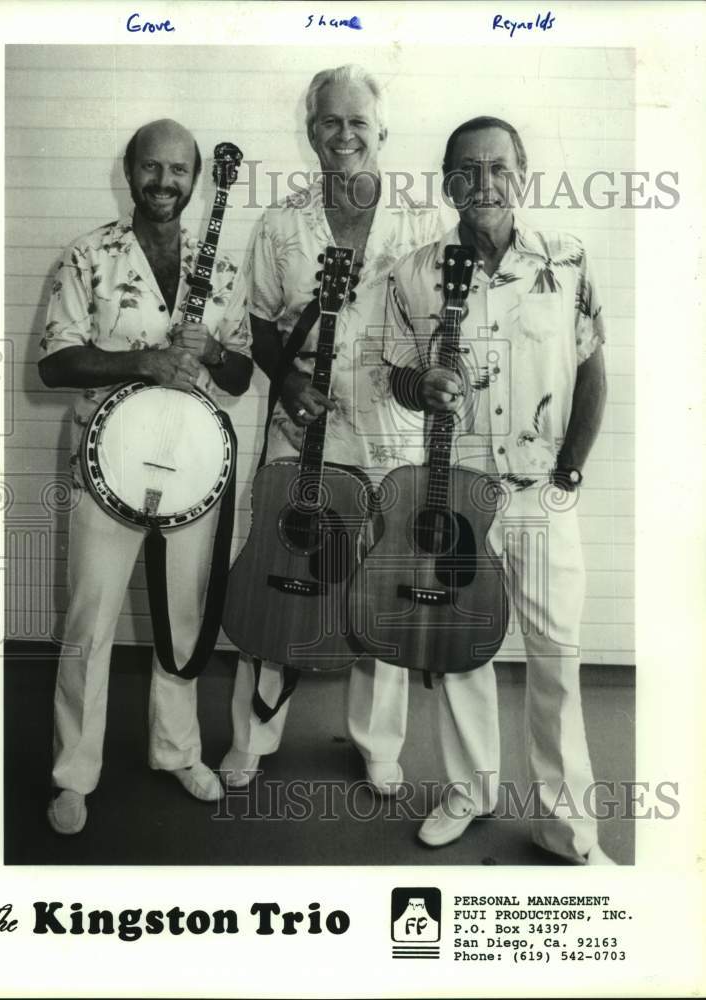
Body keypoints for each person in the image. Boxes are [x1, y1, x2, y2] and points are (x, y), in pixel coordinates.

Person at [385, 116, 614, 864]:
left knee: (556, 658)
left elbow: (591, 369)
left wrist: (570, 470)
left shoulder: (568, 260)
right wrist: (422, 385)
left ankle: (568, 830)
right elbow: (396, 374)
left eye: (499, 167)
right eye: (468, 169)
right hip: (455, 495)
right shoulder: (414, 272)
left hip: (541, 494)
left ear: (522, 174)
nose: (484, 182)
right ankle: (467, 791)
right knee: (461, 649)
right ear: (447, 181)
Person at [219, 65, 443, 792]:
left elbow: (442, 328)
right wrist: (286, 383)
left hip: (389, 433)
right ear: (310, 131)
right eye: (329, 122)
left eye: (358, 122)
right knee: (277, 570)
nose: (344, 135)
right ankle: (252, 736)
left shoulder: (423, 224)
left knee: (382, 582)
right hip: (300, 429)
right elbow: (257, 322)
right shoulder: (280, 224)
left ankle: (378, 742)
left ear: (383, 130)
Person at [38, 119, 252, 834]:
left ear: (196, 179)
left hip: (192, 470)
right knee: (89, 624)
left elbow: (241, 375)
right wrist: (143, 361)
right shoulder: (88, 255)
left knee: (181, 620)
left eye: (178, 170)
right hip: (103, 469)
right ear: (129, 171)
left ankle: (176, 751)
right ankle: (74, 775)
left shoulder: (223, 269)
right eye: (151, 167)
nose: (164, 182)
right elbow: (55, 363)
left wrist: (213, 351)